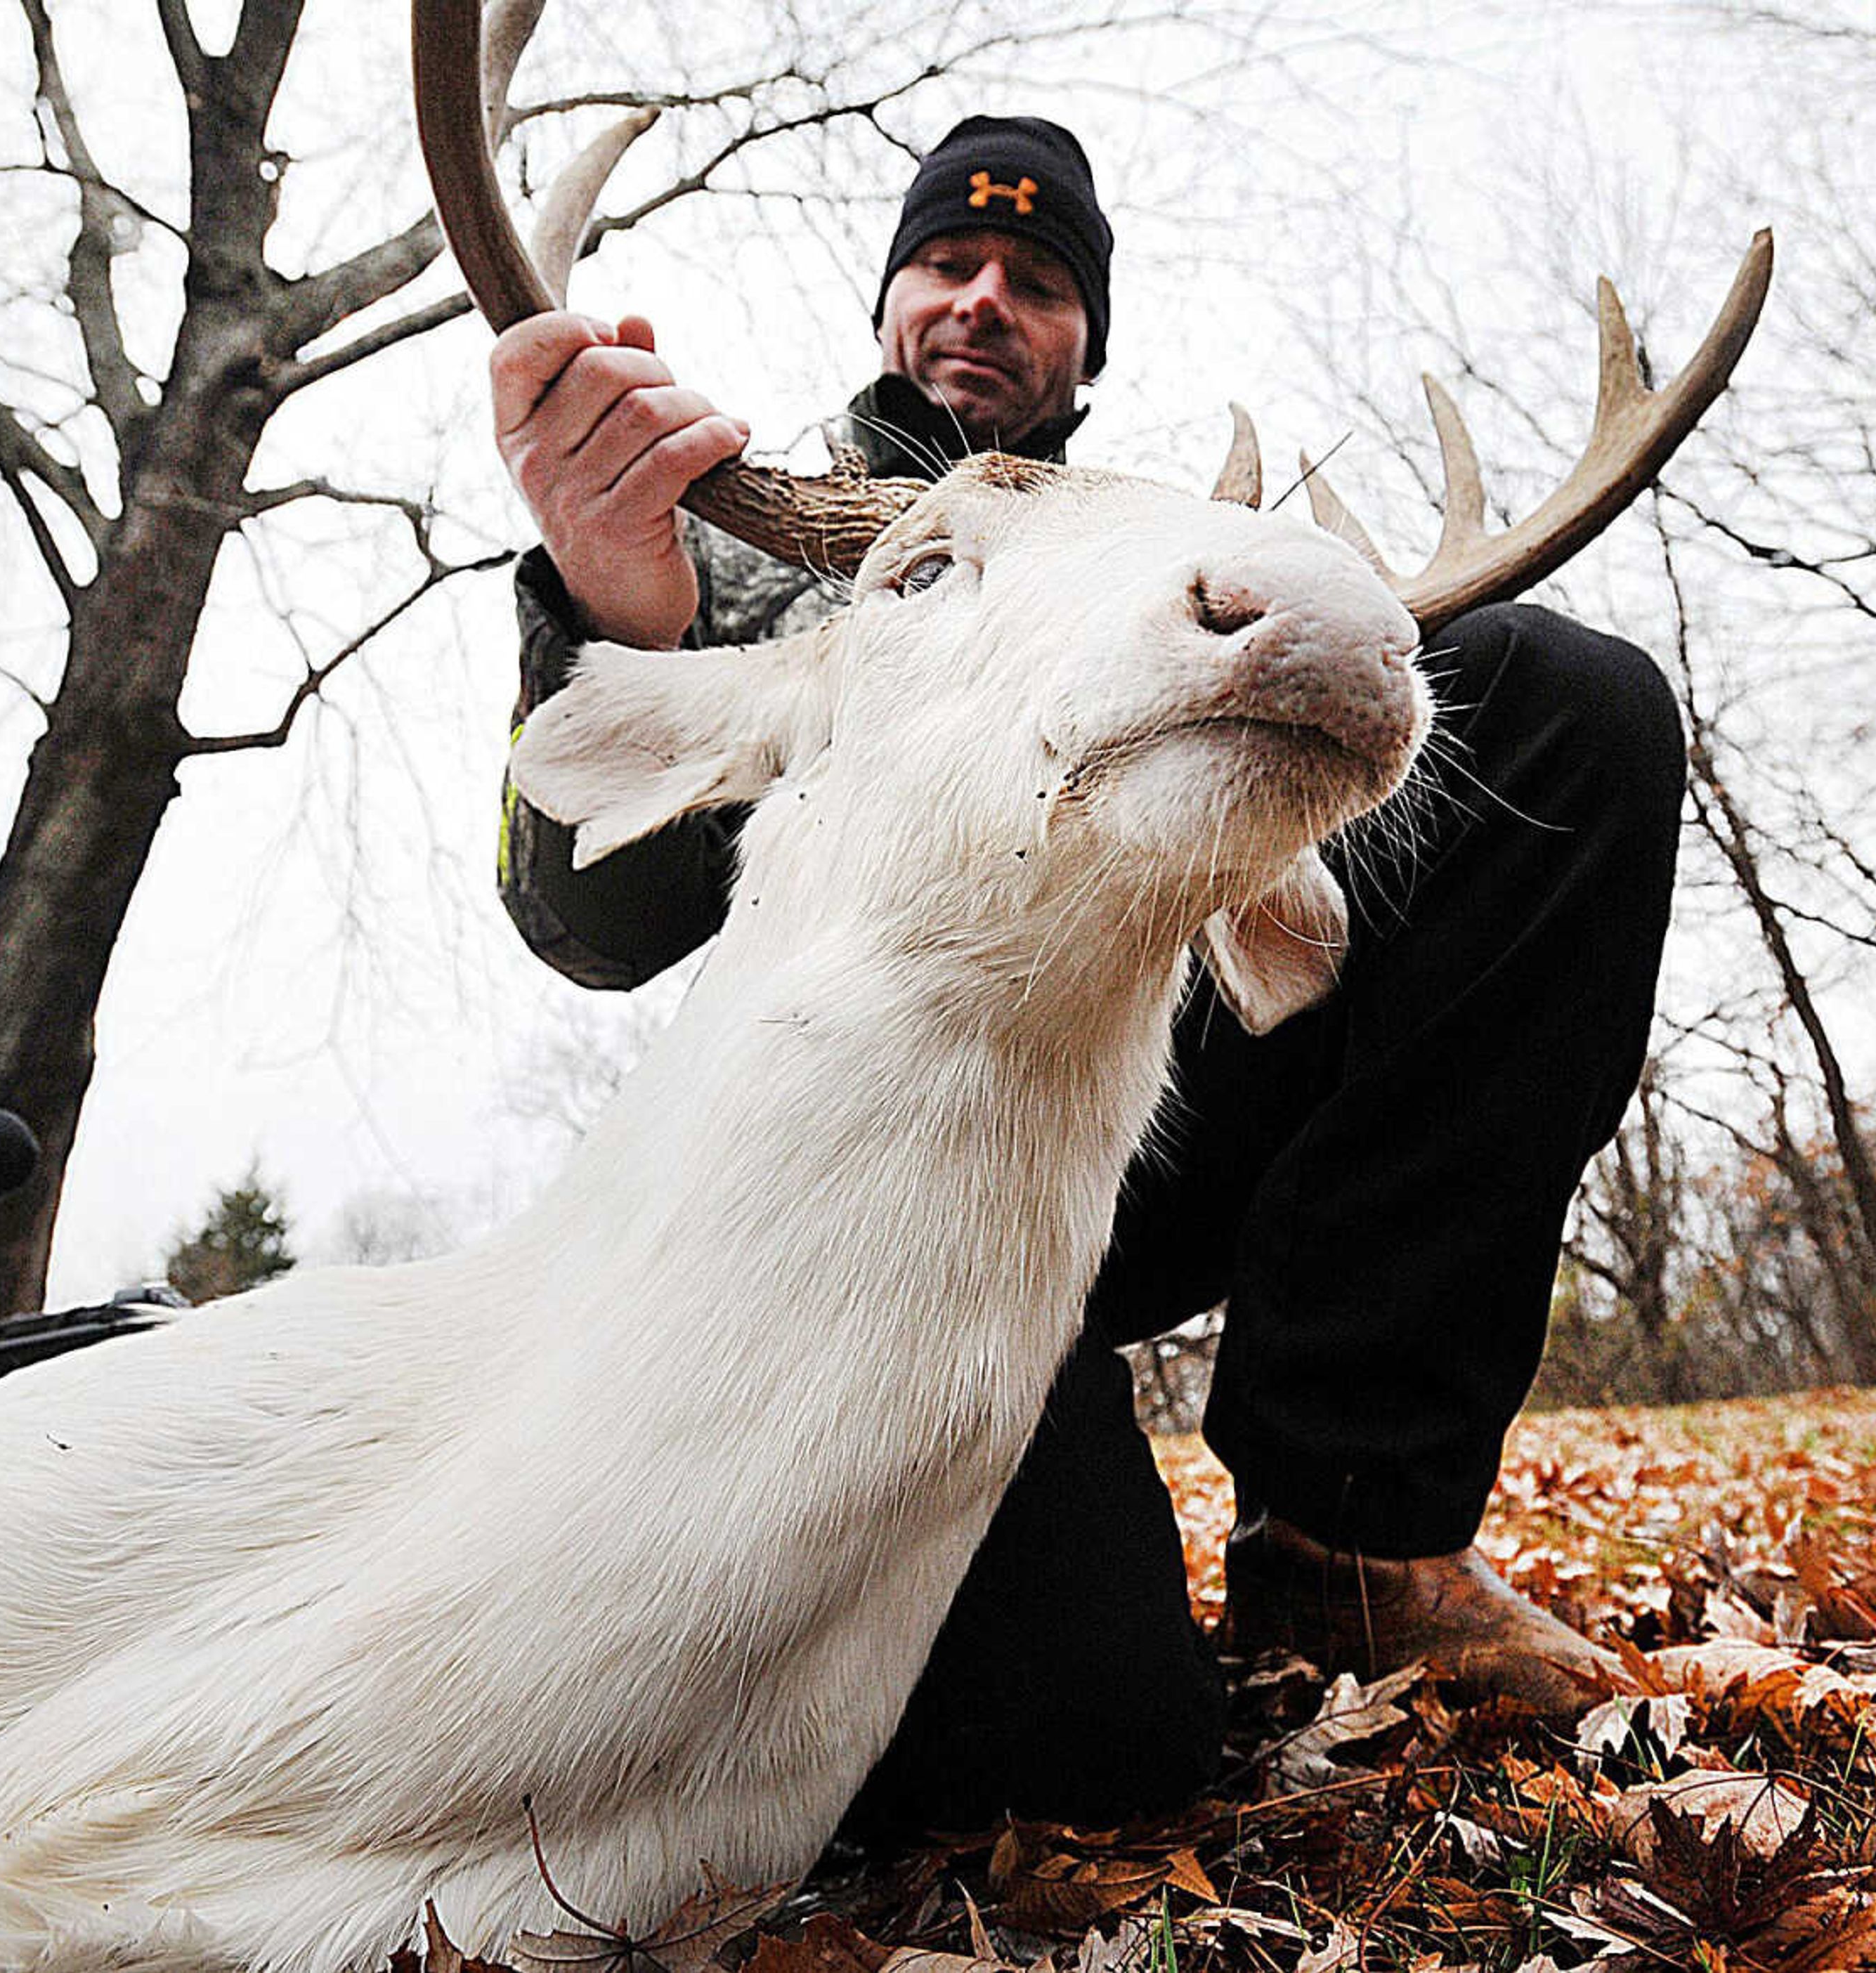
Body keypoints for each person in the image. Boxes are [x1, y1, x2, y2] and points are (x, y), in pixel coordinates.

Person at [486, 116, 1683, 1837]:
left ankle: (1352, 1533)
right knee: (1074, 1749)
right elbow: (589, 930)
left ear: (1086, 346)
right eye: (948, 267)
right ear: (890, 299)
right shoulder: (719, 542)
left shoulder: (1163, 558)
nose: (985, 302)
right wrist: (619, 608)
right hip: (871, 1199)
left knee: (1560, 699)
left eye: (1038, 283)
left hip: (1138, 1102)